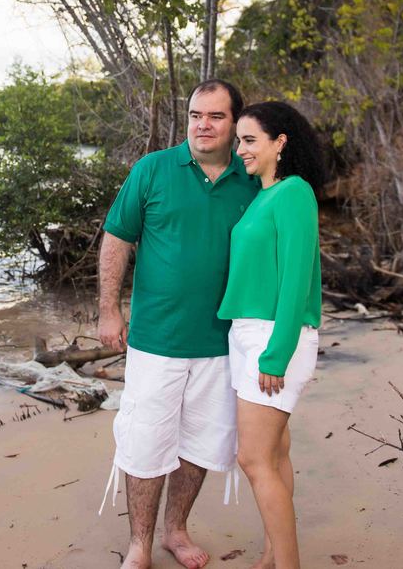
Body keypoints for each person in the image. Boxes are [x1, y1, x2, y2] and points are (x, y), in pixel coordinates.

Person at [98, 80, 260, 569]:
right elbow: (116, 239)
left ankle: (176, 531)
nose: (203, 125)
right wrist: (109, 309)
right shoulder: (153, 170)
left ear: (236, 123)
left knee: (201, 444)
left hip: (222, 341)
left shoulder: (252, 181)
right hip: (157, 340)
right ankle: (139, 546)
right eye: (195, 115)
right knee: (146, 442)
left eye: (215, 116)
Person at [218, 101, 325, 569]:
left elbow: (296, 278)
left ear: (280, 143)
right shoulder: (263, 194)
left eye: (249, 140)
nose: (239, 149)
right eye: (238, 139)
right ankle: (272, 555)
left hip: (274, 339)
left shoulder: (295, 193)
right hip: (246, 334)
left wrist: (276, 354)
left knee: (253, 459)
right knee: (276, 454)